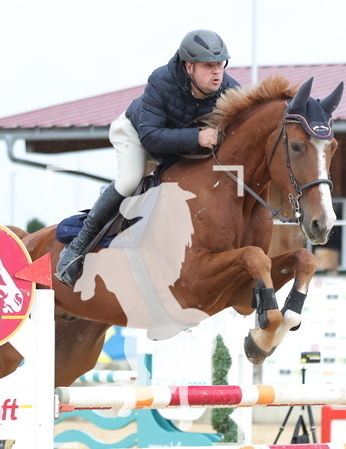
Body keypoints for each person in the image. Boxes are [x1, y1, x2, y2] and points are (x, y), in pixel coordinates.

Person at [55, 29, 241, 286]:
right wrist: (197, 138)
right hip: (137, 134)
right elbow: (151, 138)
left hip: (178, 150)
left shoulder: (231, 91)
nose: (217, 72)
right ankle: (76, 249)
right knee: (131, 180)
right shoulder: (161, 80)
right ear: (189, 67)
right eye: (208, 66)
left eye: (220, 65)